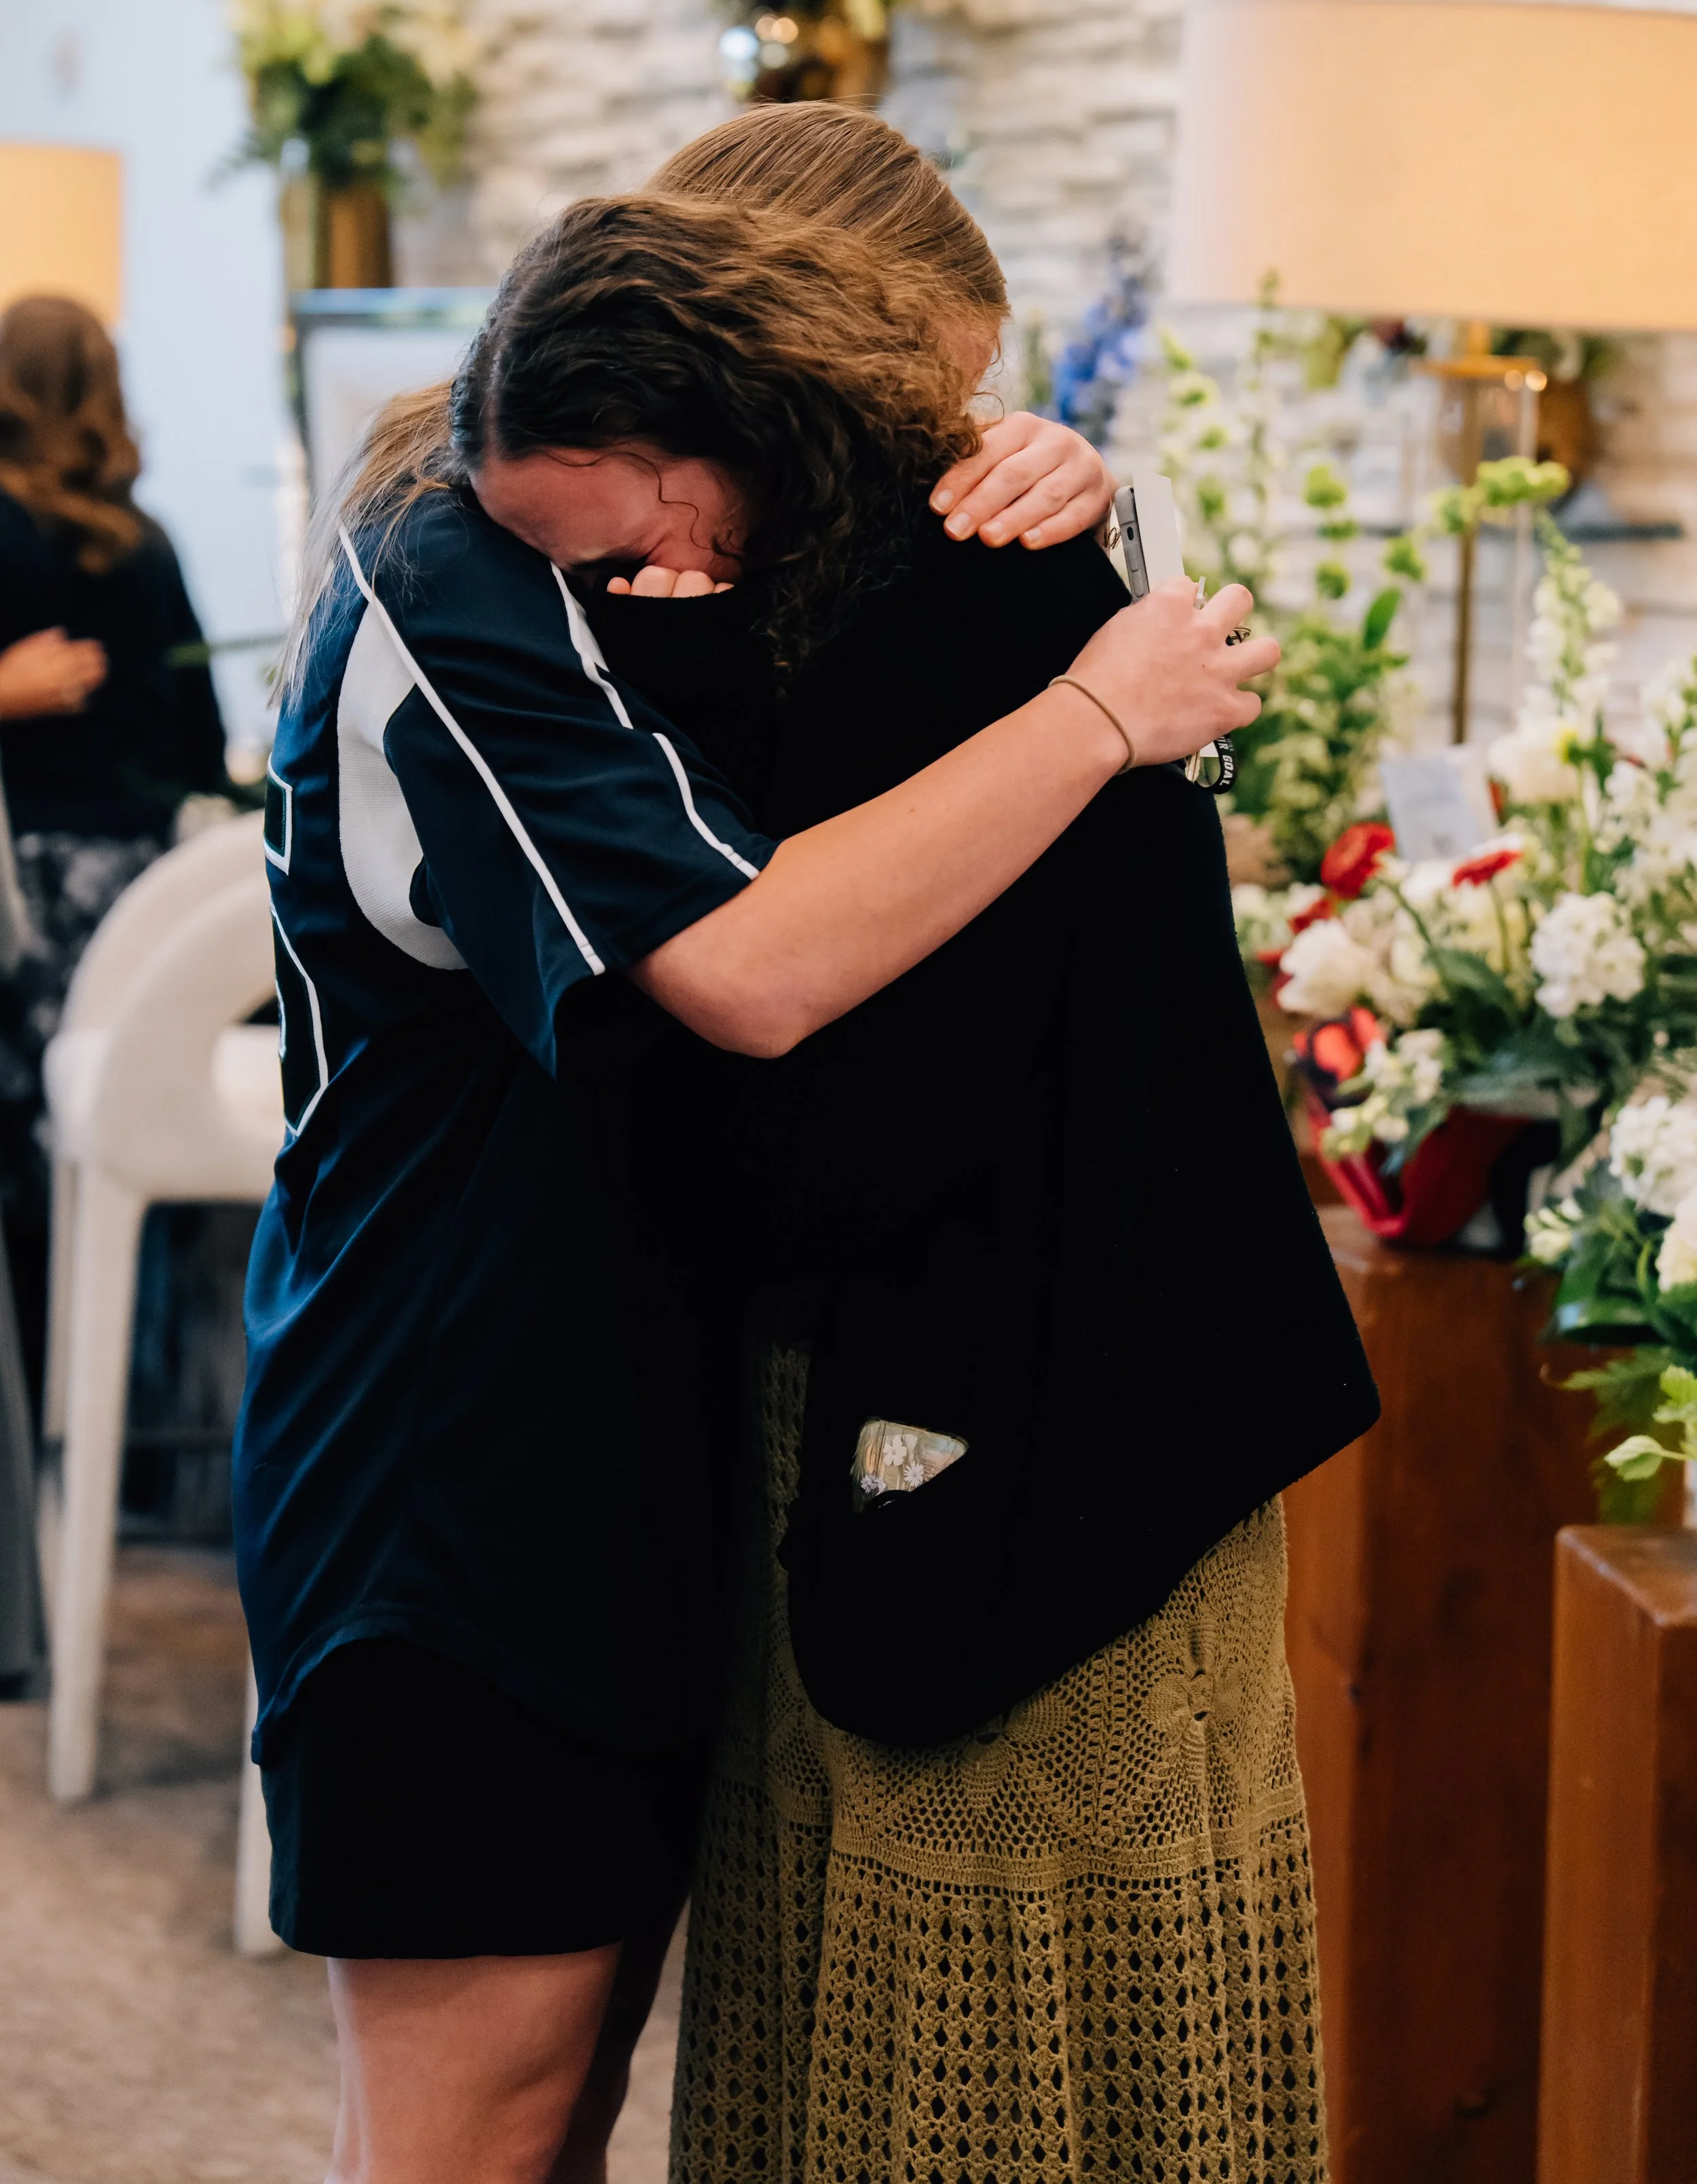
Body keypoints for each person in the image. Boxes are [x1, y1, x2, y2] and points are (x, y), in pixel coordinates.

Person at [237, 187, 1273, 2184]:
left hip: (616, 1449)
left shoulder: (652, 551)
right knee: (471, 2132)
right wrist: (1099, 709)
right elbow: (753, 968)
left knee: (568, 2101)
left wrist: (1050, 472)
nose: (654, 576)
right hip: (441, 1475)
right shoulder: (453, 581)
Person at [0, 295, 229, 1411]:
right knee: (129, 1161)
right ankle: (130, 1426)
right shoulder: (150, 548)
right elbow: (203, 741)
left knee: (31, 1167)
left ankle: (43, 1415)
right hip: (147, 904)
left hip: (27, 893)